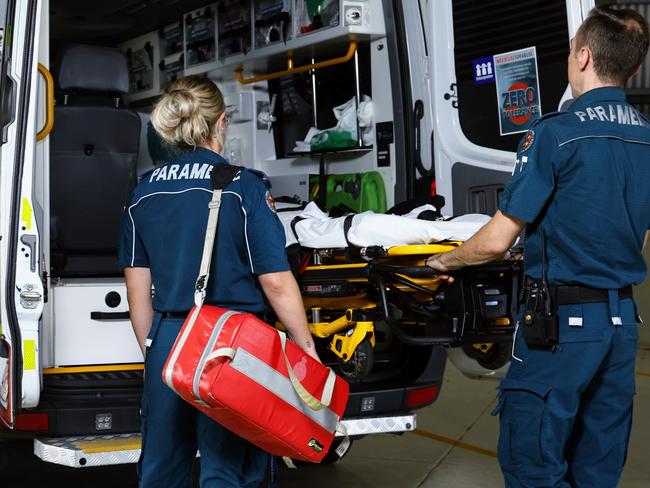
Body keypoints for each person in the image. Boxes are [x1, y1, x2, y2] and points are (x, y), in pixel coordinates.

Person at [426, 6, 650, 487]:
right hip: (621, 328)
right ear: (631, 67)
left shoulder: (556, 134)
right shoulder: (646, 139)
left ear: (584, 56)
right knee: (598, 467)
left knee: (534, 460)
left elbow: (496, 240)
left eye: (571, 50)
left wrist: (443, 259)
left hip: (561, 328)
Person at [119, 75, 319, 488]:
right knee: (229, 468)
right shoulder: (243, 186)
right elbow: (276, 281)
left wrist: (155, 353)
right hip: (233, 342)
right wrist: (305, 350)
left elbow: (137, 289)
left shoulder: (142, 193)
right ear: (221, 122)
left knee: (161, 467)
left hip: (169, 339)